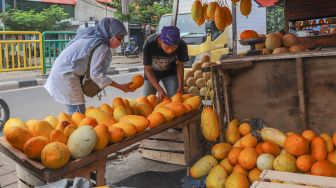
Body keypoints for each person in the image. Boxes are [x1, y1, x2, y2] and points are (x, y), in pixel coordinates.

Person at [44, 17, 134, 115]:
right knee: (78, 114)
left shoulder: (91, 37)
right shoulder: (101, 46)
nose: (120, 41)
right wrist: (120, 87)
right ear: (110, 33)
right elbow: (96, 74)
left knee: (76, 114)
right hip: (66, 76)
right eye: (119, 37)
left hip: (62, 72)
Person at [143, 26, 189, 101]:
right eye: (167, 47)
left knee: (176, 99)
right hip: (152, 73)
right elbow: (147, 69)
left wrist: (180, 85)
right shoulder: (149, 43)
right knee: (147, 100)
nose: (170, 51)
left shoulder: (181, 45)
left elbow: (180, 65)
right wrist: (160, 90)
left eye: (174, 48)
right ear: (160, 40)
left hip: (170, 73)